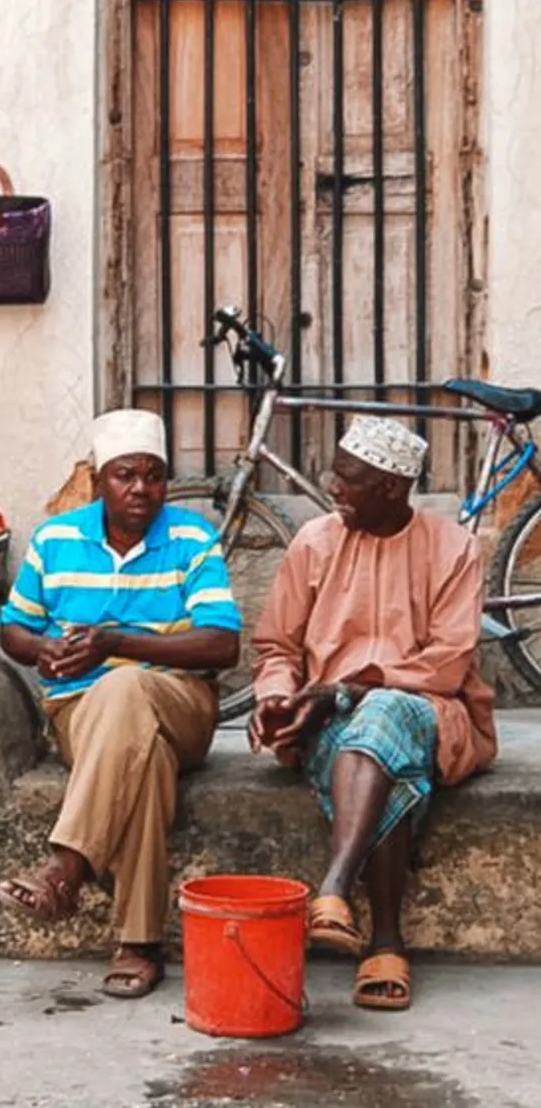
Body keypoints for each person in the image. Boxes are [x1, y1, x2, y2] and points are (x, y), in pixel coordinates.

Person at [250, 415, 497, 1012]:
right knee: (384, 757)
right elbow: (278, 647)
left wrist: (351, 688)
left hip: (433, 709)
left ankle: (335, 883)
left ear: (393, 487)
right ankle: (385, 941)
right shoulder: (315, 542)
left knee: (384, 709)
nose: (332, 489)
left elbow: (446, 663)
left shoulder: (454, 549)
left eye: (348, 478)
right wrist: (277, 698)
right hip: (328, 717)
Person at [0, 408, 241, 998]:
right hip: (80, 712)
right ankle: (138, 944)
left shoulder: (190, 539)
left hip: (181, 704)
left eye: (153, 476)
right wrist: (45, 650)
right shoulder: (56, 539)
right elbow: (12, 631)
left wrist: (116, 642)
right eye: (126, 476)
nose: (141, 490)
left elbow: (224, 644)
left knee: (127, 684)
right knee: (145, 759)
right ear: (99, 480)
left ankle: (65, 865)